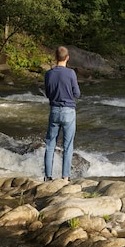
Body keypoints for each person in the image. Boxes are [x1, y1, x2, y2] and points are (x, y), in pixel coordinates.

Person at [43, 45, 81, 182]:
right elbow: (77, 93)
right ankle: (65, 178)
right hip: (68, 111)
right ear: (67, 58)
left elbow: (48, 93)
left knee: (50, 144)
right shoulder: (71, 73)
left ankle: (48, 177)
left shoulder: (48, 74)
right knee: (68, 145)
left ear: (55, 57)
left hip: (54, 110)